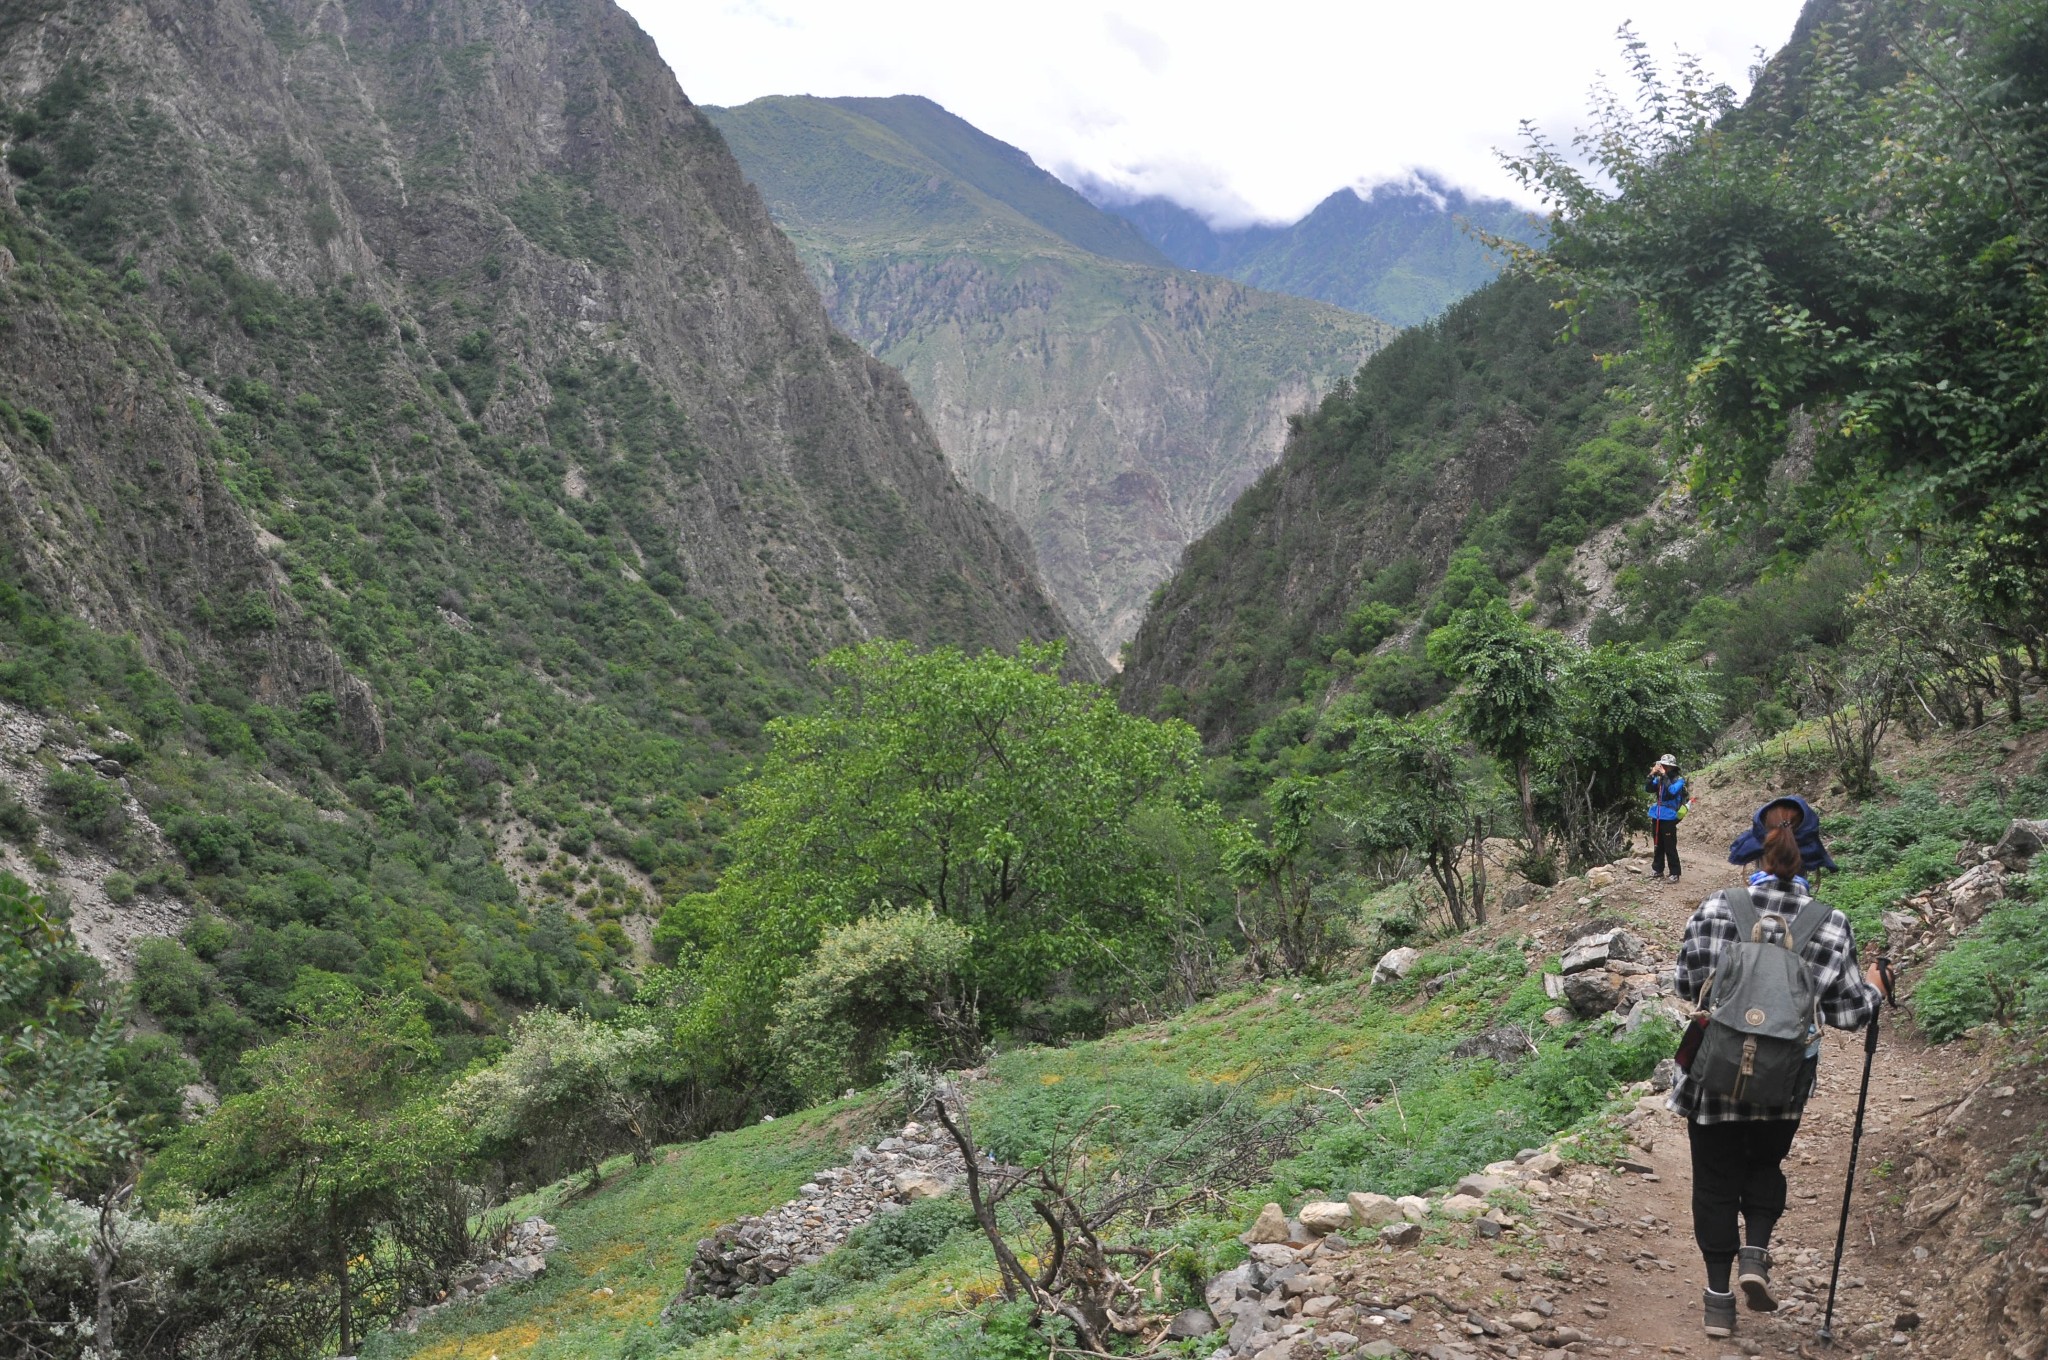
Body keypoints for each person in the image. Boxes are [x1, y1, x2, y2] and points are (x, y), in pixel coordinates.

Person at [1668, 798, 1885, 1340]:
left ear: (1754, 850)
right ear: (1809, 857)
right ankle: (1756, 1254)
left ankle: (1718, 1302)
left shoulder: (1719, 906)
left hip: (1712, 1078)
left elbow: (1684, 983)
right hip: (1782, 1083)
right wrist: (1878, 985)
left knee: (1714, 1181)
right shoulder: (1830, 924)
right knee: (1764, 1165)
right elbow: (1849, 1013)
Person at [1645, 755, 1689, 880]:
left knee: (1670, 845)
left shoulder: (1679, 780)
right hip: (1657, 815)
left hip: (1669, 816)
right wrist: (1652, 774)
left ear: (1671, 767)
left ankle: (1675, 872)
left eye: (1665, 765)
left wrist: (1664, 776)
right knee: (1658, 844)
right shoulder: (1658, 779)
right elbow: (1648, 788)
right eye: (1661, 765)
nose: (1662, 767)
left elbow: (1672, 791)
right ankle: (1657, 869)